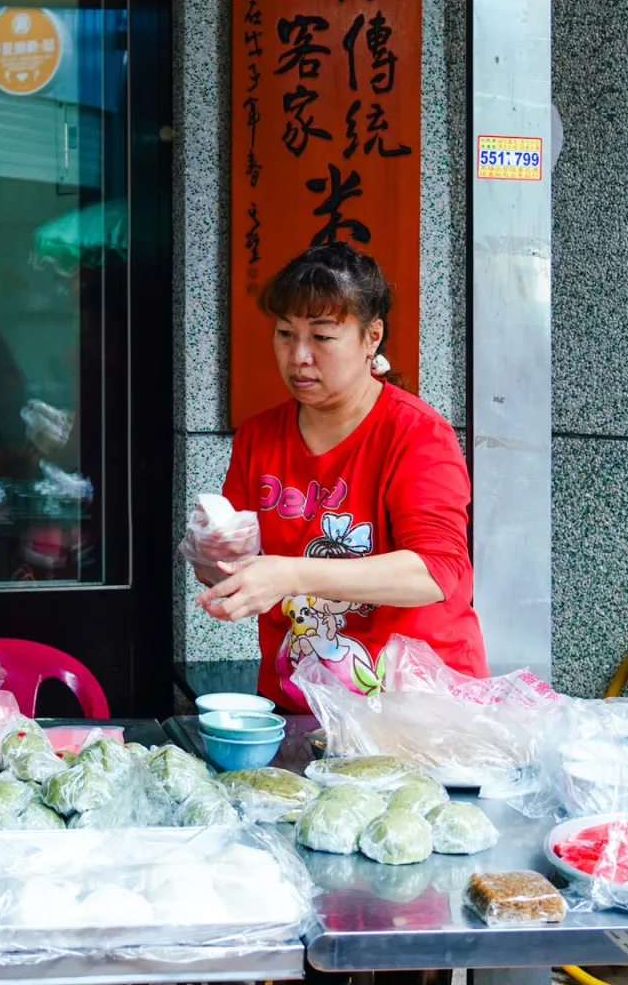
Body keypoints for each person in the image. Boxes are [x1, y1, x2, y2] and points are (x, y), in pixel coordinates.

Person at [194, 242, 487, 709]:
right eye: (286, 334)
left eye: (322, 338)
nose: (299, 356)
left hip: (417, 705)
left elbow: (437, 571)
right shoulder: (258, 437)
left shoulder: (417, 434)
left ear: (372, 337)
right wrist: (213, 558)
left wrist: (289, 574)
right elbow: (244, 566)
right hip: (302, 703)